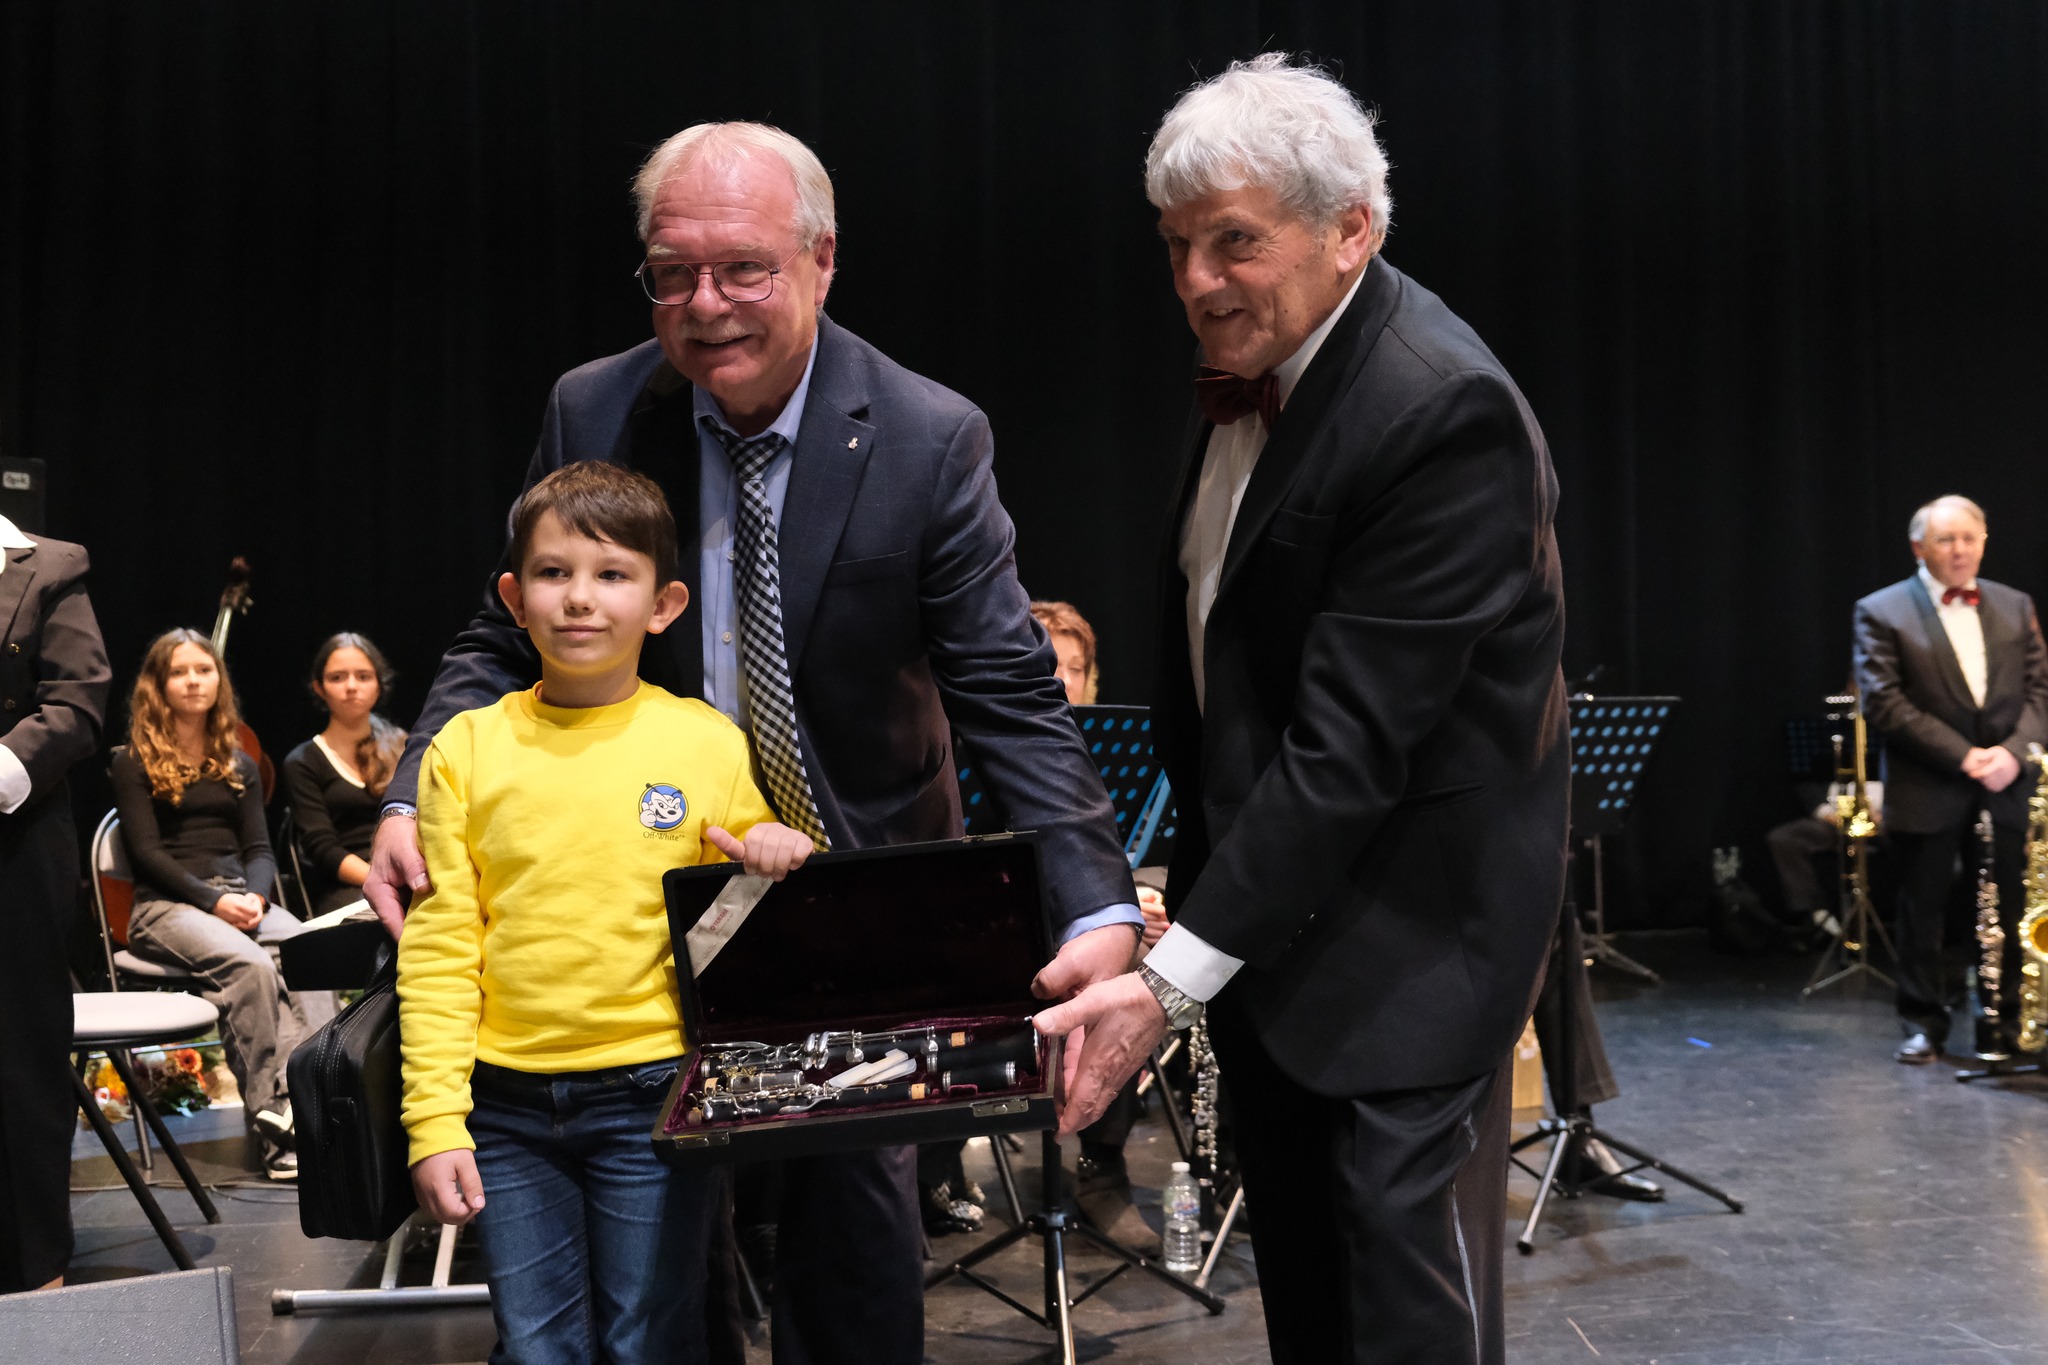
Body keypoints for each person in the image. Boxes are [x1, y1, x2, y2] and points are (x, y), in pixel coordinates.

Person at [366, 122, 1139, 1364]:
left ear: (821, 261)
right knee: (666, 1265)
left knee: (853, 1234)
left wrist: (1094, 901)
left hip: (851, 885)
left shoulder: (927, 434)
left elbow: (1007, 689)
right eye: (672, 274)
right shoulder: (595, 406)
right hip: (644, 903)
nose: (705, 304)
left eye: (742, 270)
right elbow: (500, 632)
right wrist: (410, 794)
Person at [1035, 55, 1569, 1364]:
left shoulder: (1440, 409)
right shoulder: (1259, 360)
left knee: (1398, 1316)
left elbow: (1347, 753)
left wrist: (1164, 985)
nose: (1195, 280)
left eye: (1234, 241)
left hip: (1412, 948)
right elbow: (1229, 684)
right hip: (1274, 935)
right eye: (1175, 244)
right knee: (1316, 1312)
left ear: (1351, 231)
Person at [402, 461, 810, 1365]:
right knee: (536, 1348)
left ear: (663, 605)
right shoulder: (465, 748)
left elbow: (740, 926)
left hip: (653, 1099)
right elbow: (438, 950)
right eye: (553, 572)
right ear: (515, 598)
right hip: (504, 1109)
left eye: (612, 574)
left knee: (647, 1341)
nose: (580, 597)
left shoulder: (706, 743)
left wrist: (773, 855)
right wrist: (435, 1123)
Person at [110, 629, 323, 1179]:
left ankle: (318, 1102)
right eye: (179, 672)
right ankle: (274, 1120)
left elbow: (259, 849)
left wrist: (255, 895)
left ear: (218, 680)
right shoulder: (133, 762)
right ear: (158, 685)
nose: (193, 681)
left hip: (237, 896)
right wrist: (213, 902)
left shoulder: (238, 762)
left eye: (203, 670)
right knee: (251, 965)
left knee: (310, 952)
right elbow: (147, 854)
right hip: (166, 907)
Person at [1853, 494, 2048, 1064]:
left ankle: (2001, 1020)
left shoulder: (2015, 604)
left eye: (1969, 538)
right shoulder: (1881, 610)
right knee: (1924, 909)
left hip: (2007, 782)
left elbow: (2040, 690)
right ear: (1920, 547)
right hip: (1928, 784)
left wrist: (2011, 753)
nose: (1959, 550)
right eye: (1945, 540)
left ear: (1983, 542)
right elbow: (1883, 702)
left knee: (2006, 911)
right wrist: (1966, 757)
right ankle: (1923, 1023)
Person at [0, 523, 110, 1293]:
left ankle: (32, 1265)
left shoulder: (48, 567)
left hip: (14, 841)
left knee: (18, 1053)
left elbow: (77, 703)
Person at [282, 633, 407, 914]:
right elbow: (324, 849)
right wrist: (382, 882)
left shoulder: (403, 746)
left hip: (408, 871)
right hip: (349, 886)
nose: (351, 686)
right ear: (319, 688)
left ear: (379, 685)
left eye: (363, 676)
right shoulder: (303, 761)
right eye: (337, 678)